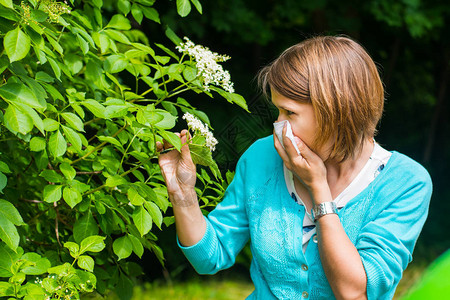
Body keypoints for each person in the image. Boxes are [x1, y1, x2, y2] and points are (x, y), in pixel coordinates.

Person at [156, 36, 433, 300]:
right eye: (278, 111)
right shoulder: (261, 158)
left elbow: (354, 292)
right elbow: (210, 257)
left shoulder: (406, 182)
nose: (278, 126)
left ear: (337, 114)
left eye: (290, 113)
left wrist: (319, 190)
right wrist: (183, 196)